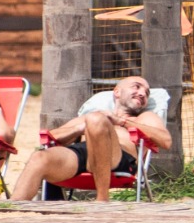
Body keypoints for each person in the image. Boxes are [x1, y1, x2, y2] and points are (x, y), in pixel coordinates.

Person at [9, 76, 172, 203]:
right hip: (83, 155)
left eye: (147, 93)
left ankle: (102, 199)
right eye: (136, 87)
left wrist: (121, 122)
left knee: (96, 120)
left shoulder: (145, 117)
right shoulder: (95, 115)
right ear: (117, 92)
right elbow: (51, 138)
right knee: (40, 157)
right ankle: (13, 209)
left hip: (119, 158)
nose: (143, 93)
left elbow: (166, 141)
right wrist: (79, 128)